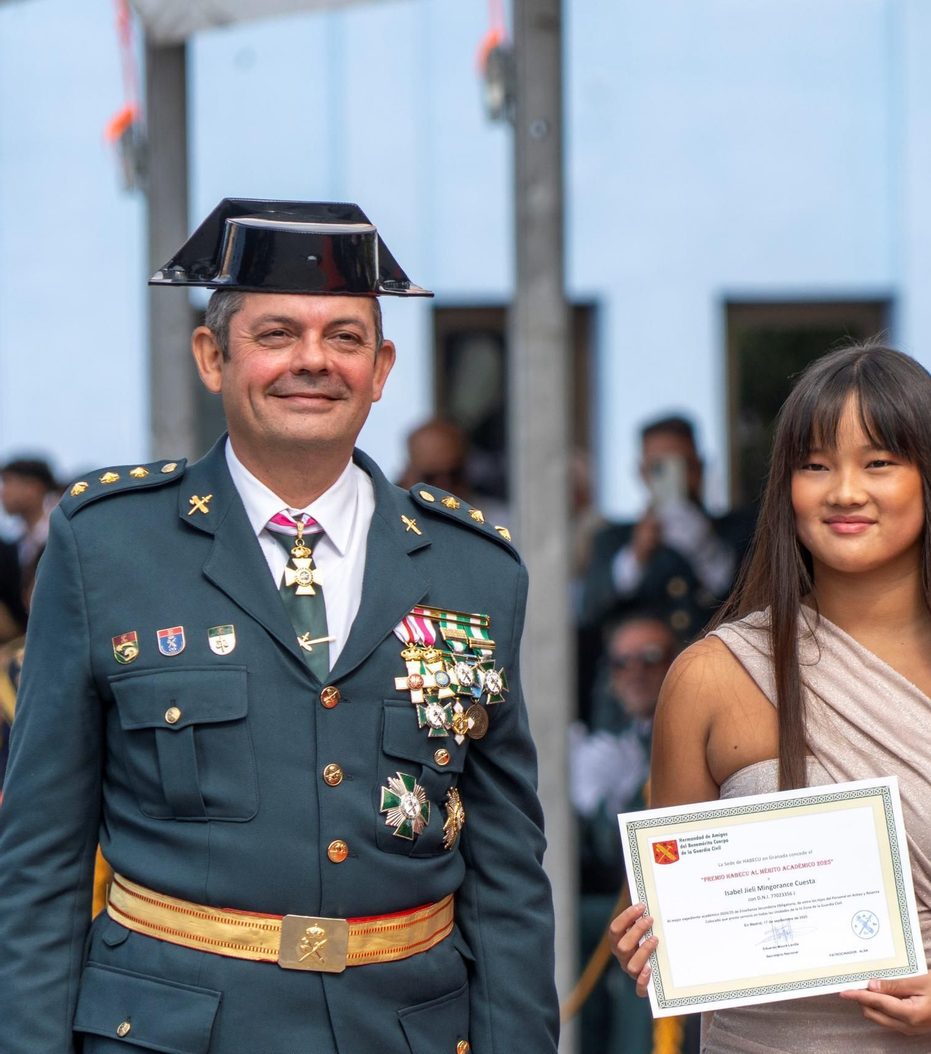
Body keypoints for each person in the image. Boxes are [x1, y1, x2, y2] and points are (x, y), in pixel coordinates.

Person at [0, 198, 557, 1052]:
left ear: (381, 368)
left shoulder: (475, 569)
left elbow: (506, 878)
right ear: (211, 356)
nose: (313, 361)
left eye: (345, 337)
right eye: (277, 334)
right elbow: (41, 859)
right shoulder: (108, 546)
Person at [608, 344, 931, 1051]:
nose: (844, 491)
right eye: (815, 465)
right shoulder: (710, 676)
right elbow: (672, 903)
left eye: (878, 463)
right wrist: (650, 936)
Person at [571, 613, 686, 1054]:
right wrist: (598, 806)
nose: (635, 672)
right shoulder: (605, 740)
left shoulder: (688, 723)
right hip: (624, 909)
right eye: (622, 662)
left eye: (650, 657)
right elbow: (604, 849)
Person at [580, 414, 755, 649]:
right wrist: (636, 557)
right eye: (659, 468)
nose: (676, 477)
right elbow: (591, 609)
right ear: (642, 473)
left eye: (684, 466)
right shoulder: (612, 539)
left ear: (700, 467)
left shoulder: (742, 531)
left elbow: (755, 604)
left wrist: (707, 549)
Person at [1, 455, 59, 613]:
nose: (2, 492)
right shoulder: (17, 541)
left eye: (8, 482)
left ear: (34, 488)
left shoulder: (60, 533)